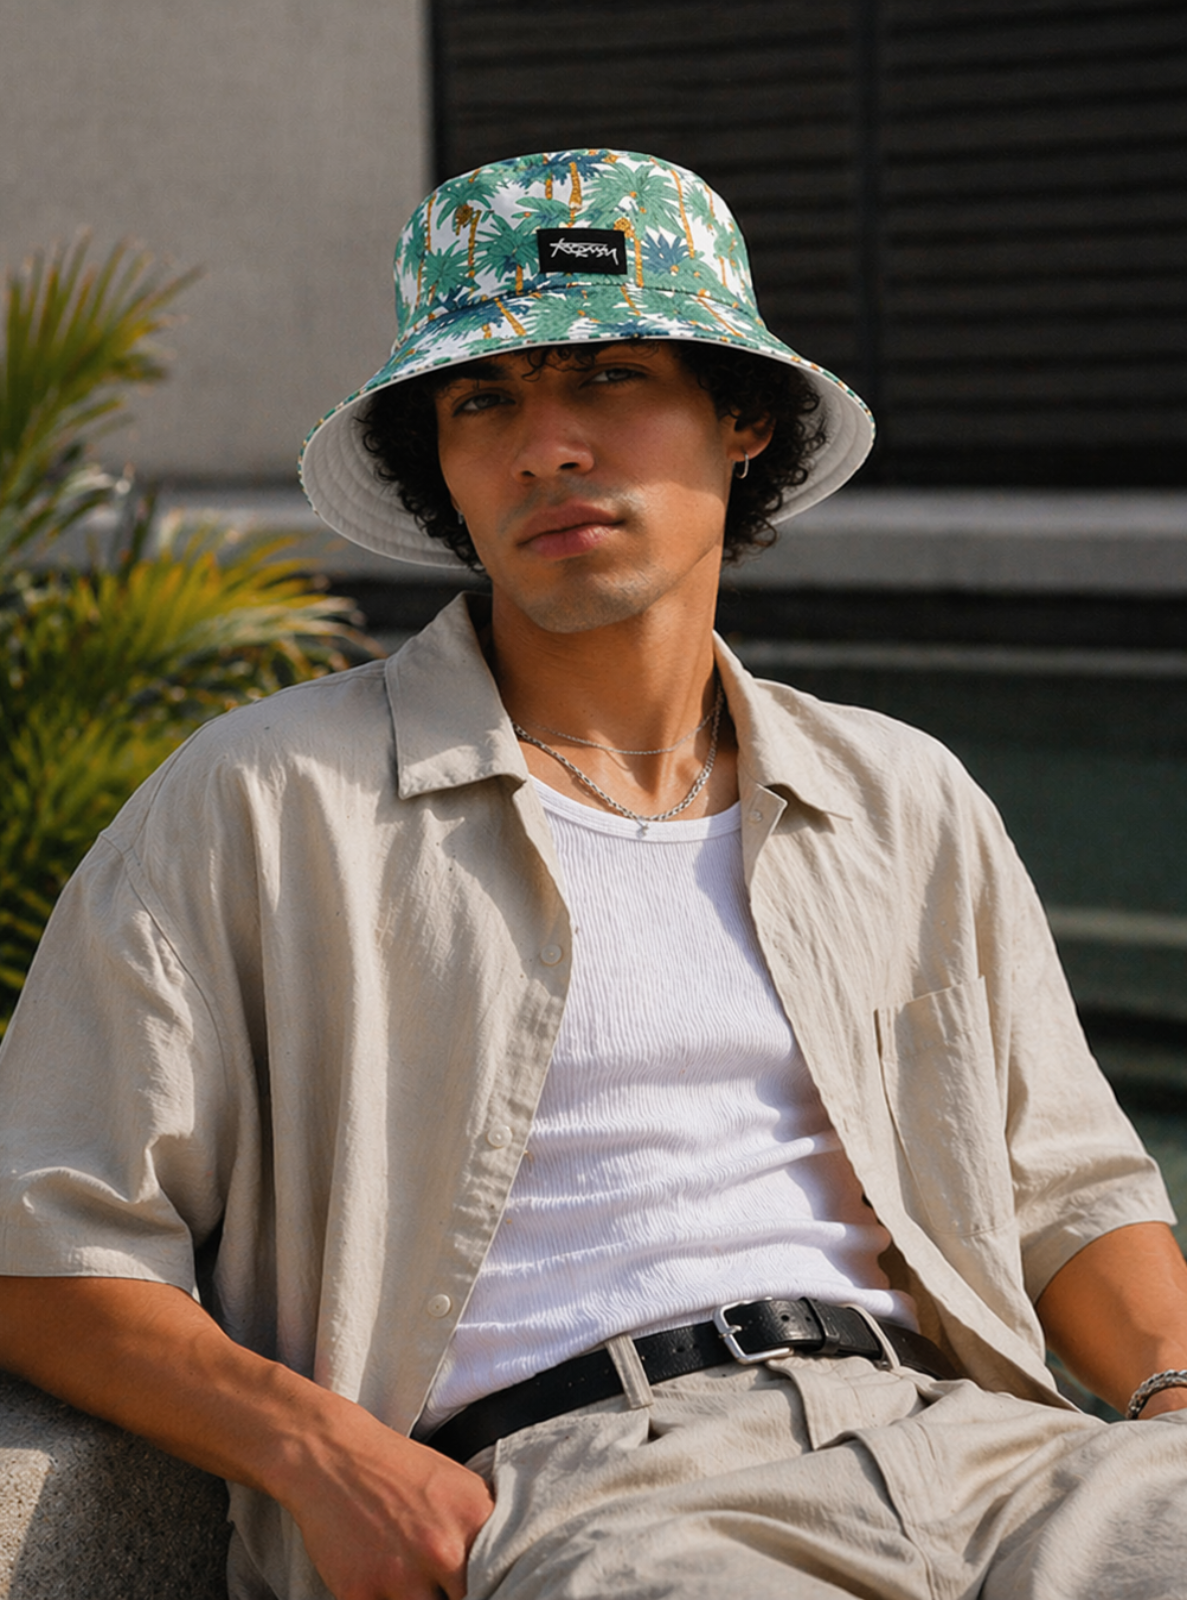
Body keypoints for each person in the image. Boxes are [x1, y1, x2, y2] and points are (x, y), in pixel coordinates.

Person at [1, 148, 1185, 1600]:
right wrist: (323, 1457)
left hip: (984, 1451)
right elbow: (40, 1237)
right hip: (593, 1490)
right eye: (480, 400)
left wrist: (1170, 1404)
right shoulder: (267, 802)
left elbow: (1067, 1185)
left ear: (739, 414)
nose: (544, 447)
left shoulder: (897, 796)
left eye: (610, 377)